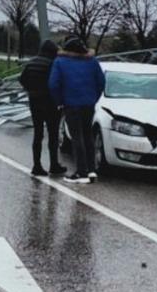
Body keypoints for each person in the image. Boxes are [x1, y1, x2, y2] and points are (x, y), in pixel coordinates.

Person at [48, 37, 105, 185]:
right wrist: (93, 98)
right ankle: (92, 170)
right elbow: (101, 82)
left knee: (76, 137)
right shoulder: (92, 62)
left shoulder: (60, 62)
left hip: (71, 104)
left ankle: (81, 172)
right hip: (88, 104)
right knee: (88, 135)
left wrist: (59, 102)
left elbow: (53, 84)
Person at [18, 40, 67, 176]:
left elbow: (22, 79)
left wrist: (31, 90)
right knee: (53, 135)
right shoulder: (52, 64)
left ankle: (37, 165)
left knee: (38, 134)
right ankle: (53, 164)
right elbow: (56, 82)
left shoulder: (31, 62)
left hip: (34, 101)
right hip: (50, 102)